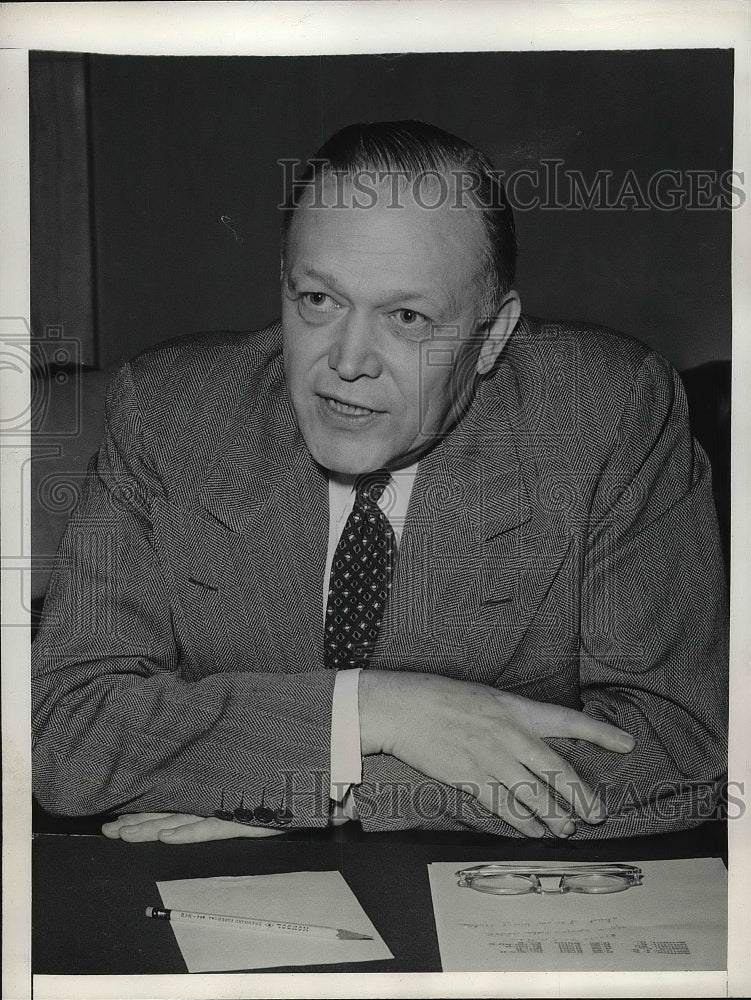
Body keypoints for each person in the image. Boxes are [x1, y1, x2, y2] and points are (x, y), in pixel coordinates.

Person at [32, 120, 727, 844]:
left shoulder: (605, 414)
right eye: (318, 300)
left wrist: (343, 786)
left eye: (406, 317)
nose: (348, 360)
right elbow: (61, 732)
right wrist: (371, 711)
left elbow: (678, 752)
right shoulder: (169, 412)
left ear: (493, 335)